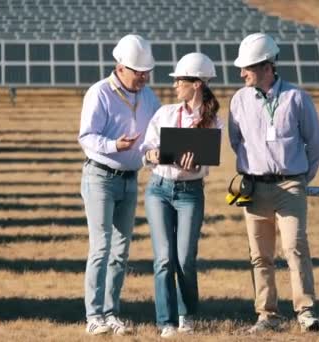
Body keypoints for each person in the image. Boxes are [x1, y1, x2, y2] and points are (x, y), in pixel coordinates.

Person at [228, 33, 319, 333]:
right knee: (260, 255)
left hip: (290, 187)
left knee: (295, 247)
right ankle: (267, 315)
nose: (241, 73)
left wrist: (298, 180)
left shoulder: (297, 98)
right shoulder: (239, 100)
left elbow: (315, 145)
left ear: (267, 67)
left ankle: (305, 311)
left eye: (247, 67)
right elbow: (236, 141)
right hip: (254, 189)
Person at [78, 34, 161, 336]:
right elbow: (86, 137)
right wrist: (114, 145)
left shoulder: (149, 96)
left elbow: (159, 130)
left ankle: (112, 312)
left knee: (121, 250)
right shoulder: (99, 93)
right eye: (139, 71)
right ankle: (94, 316)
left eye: (146, 72)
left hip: (130, 180)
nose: (144, 76)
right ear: (121, 67)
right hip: (100, 177)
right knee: (101, 247)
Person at [140, 53, 222, 339]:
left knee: (185, 258)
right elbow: (146, 150)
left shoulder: (212, 122)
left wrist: (197, 164)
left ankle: (187, 315)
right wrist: (151, 154)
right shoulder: (164, 113)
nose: (175, 85)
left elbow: (209, 160)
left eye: (180, 81)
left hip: (190, 193)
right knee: (163, 259)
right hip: (159, 190)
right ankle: (166, 322)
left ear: (197, 84)